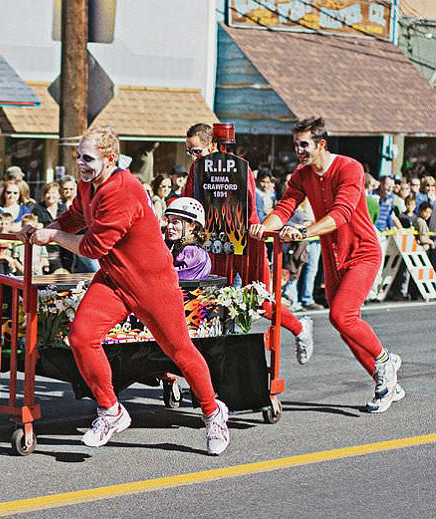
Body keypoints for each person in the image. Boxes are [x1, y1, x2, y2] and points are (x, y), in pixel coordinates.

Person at [24, 126, 230, 454]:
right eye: (78, 156)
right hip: (115, 278)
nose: (81, 163)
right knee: (81, 336)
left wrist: (53, 238)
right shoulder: (88, 184)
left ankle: (212, 412)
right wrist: (44, 230)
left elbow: (91, 246)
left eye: (88, 158)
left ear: (110, 159)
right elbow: (76, 216)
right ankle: (111, 410)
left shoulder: (123, 190)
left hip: (153, 283)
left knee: (179, 350)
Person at [250, 116, 404, 414]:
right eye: (295, 144)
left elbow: (342, 213)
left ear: (321, 143)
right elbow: (285, 207)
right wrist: (264, 228)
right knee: (341, 323)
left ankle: (385, 361)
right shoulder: (302, 174)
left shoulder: (350, 168)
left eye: (304, 144)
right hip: (333, 258)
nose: (299, 150)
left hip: (362, 252)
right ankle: (386, 384)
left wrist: (304, 231)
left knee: (343, 315)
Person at [182, 123, 312, 365]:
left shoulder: (238, 168)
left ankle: (299, 328)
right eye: (188, 151)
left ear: (212, 146)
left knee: (259, 299)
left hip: (247, 240)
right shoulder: (195, 171)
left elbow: (249, 208)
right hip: (214, 243)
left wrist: (253, 228)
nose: (192, 157)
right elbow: (187, 202)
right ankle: (219, 367)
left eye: (196, 151)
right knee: (213, 301)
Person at [163, 198, 211, 280]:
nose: (169, 226)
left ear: (192, 225)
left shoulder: (192, 251)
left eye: (175, 222)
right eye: (168, 222)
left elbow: (173, 275)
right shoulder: (180, 247)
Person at [32, 182, 67, 273]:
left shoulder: (63, 208)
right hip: (46, 250)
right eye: (48, 192)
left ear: (59, 195)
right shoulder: (37, 208)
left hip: (64, 249)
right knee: (57, 274)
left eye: (54, 193)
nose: (50, 195)